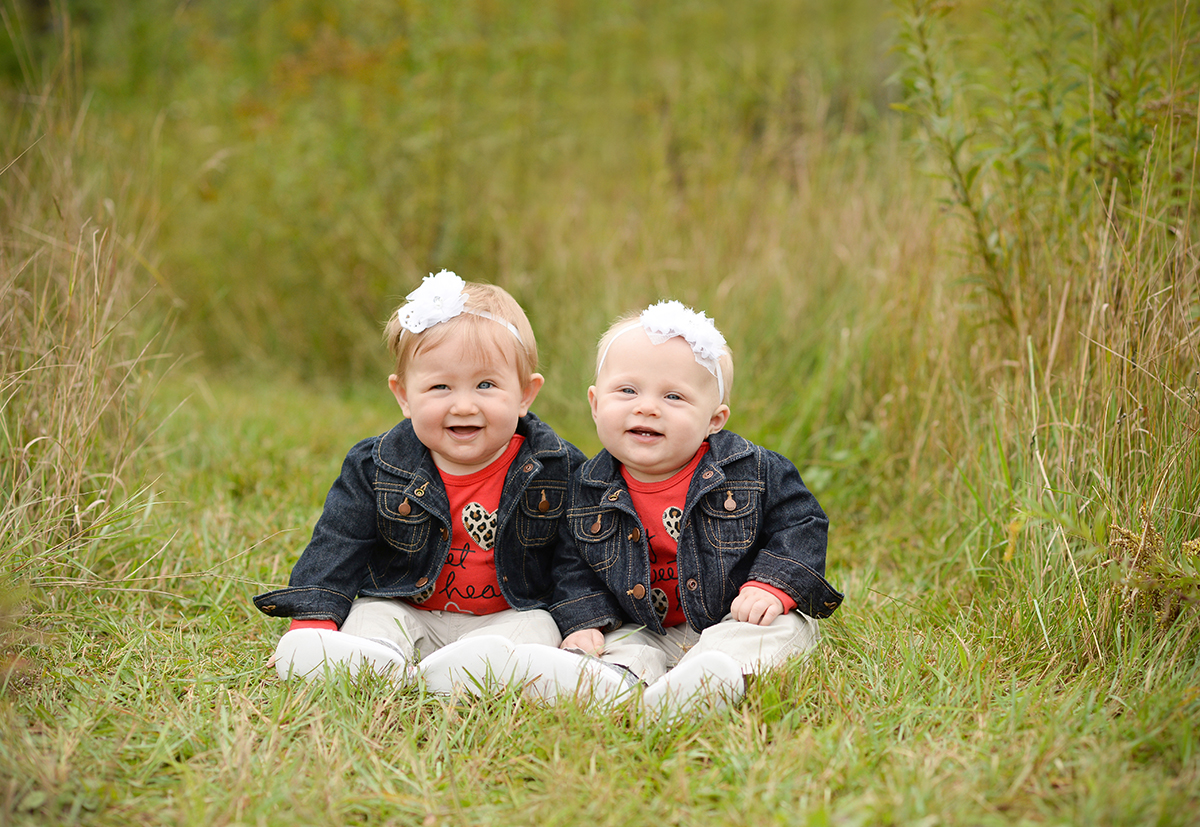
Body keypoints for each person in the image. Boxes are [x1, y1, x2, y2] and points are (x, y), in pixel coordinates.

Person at [253, 271, 585, 693]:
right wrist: (313, 618)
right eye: (440, 386)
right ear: (404, 396)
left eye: (486, 385)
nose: (463, 405)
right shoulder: (377, 465)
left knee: (538, 625)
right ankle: (378, 662)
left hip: (505, 615)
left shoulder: (557, 467)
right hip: (409, 607)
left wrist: (581, 621)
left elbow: (576, 556)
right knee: (370, 614)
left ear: (525, 394)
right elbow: (338, 544)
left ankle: (474, 667)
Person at [547, 300, 844, 719]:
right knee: (619, 645)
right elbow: (570, 563)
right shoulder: (586, 487)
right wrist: (584, 621)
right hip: (644, 628)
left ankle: (705, 679)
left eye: (673, 396)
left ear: (714, 419)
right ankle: (620, 682)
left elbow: (802, 523)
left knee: (782, 628)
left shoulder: (752, 471)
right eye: (627, 390)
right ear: (595, 403)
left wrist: (770, 587)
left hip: (731, 619)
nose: (647, 407)